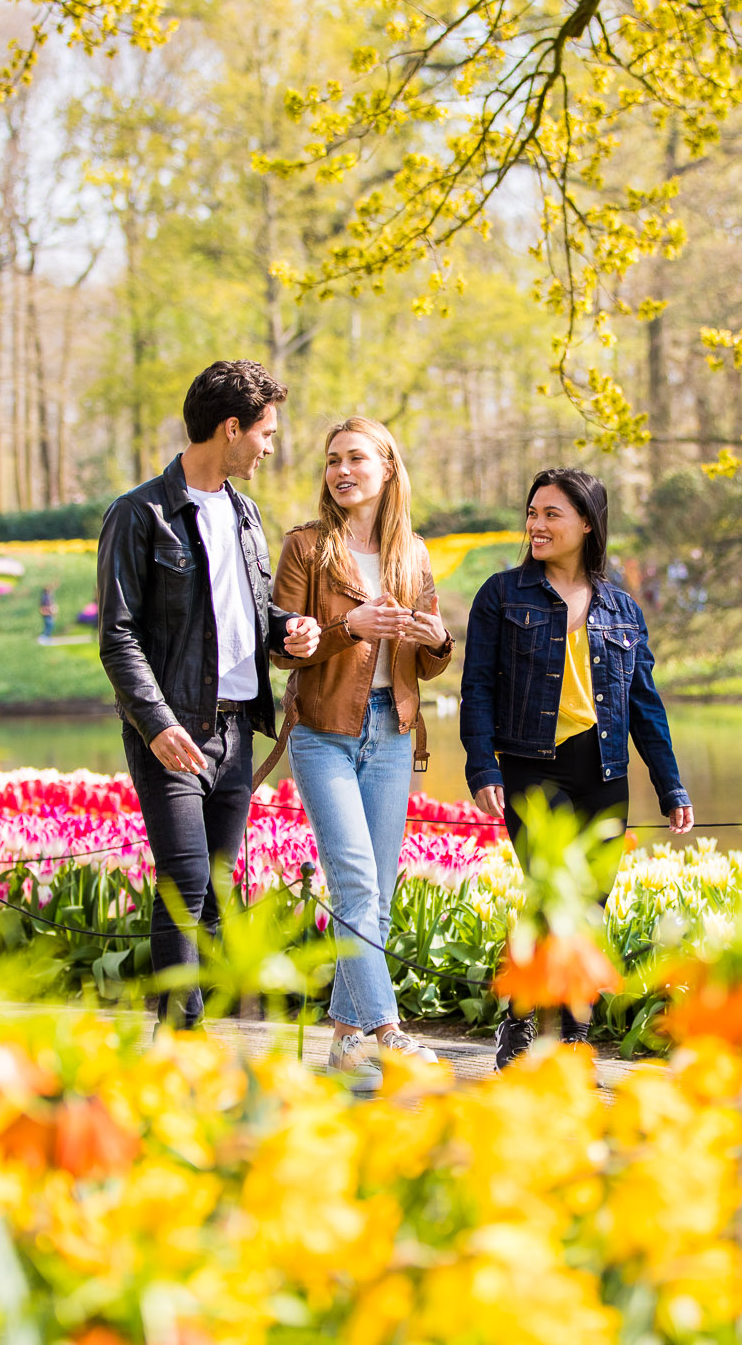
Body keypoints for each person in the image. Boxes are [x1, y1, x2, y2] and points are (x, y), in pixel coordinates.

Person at [97, 360, 321, 1032]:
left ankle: (202, 1042)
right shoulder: (138, 515)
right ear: (231, 428)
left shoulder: (246, 513)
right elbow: (118, 636)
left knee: (213, 892)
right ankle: (178, 1043)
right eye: (266, 432)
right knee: (185, 885)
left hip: (235, 733)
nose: (270, 445)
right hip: (173, 734)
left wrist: (291, 630)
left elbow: (249, 614)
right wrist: (157, 724)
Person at [462, 468, 694, 1069]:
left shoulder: (621, 608)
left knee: (588, 906)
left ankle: (569, 1032)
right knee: (549, 898)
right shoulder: (501, 595)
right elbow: (478, 687)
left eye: (551, 514)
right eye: (532, 513)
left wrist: (669, 784)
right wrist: (482, 766)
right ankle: (519, 1024)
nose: (536, 525)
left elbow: (645, 703)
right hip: (531, 768)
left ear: (586, 524)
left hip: (603, 773)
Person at [261, 416, 453, 1082]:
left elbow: (421, 669)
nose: (341, 471)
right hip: (322, 734)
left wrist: (435, 640)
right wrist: (347, 625)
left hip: (393, 731)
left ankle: (346, 1039)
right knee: (354, 883)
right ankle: (389, 1029)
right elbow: (284, 649)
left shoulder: (414, 554)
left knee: (377, 898)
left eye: (356, 459)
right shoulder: (306, 549)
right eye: (332, 460)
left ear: (388, 468)